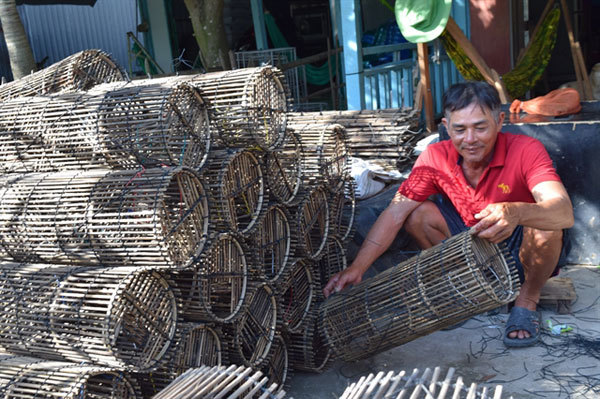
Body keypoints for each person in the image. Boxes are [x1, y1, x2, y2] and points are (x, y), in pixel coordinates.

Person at [323, 81, 574, 348]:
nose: (470, 139)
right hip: (472, 241)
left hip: (519, 242)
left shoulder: (526, 149)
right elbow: (394, 213)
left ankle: (526, 301)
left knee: (546, 223)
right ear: (445, 126)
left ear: (500, 121)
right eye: (459, 129)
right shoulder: (434, 156)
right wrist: (357, 268)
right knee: (416, 215)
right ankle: (469, 286)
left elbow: (563, 211)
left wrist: (516, 211)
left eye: (480, 127)